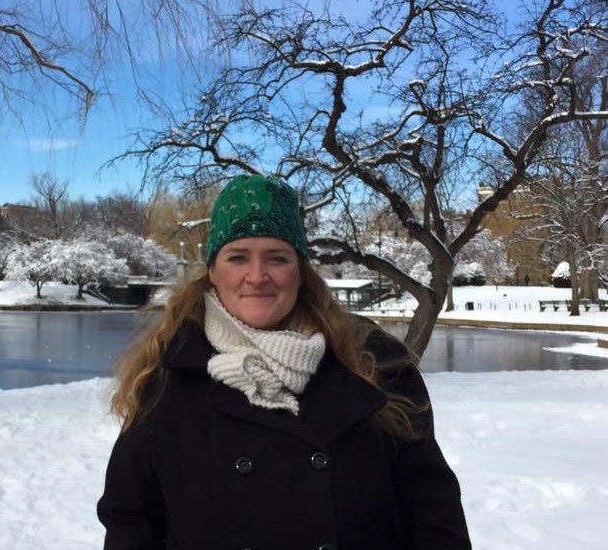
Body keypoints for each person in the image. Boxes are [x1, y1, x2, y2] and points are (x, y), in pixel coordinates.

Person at [97, 174, 472, 550]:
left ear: (301, 270)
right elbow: (131, 522)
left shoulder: (376, 363)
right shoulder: (165, 376)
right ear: (213, 270)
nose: (257, 277)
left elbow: (433, 514)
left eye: (277, 258)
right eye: (238, 257)